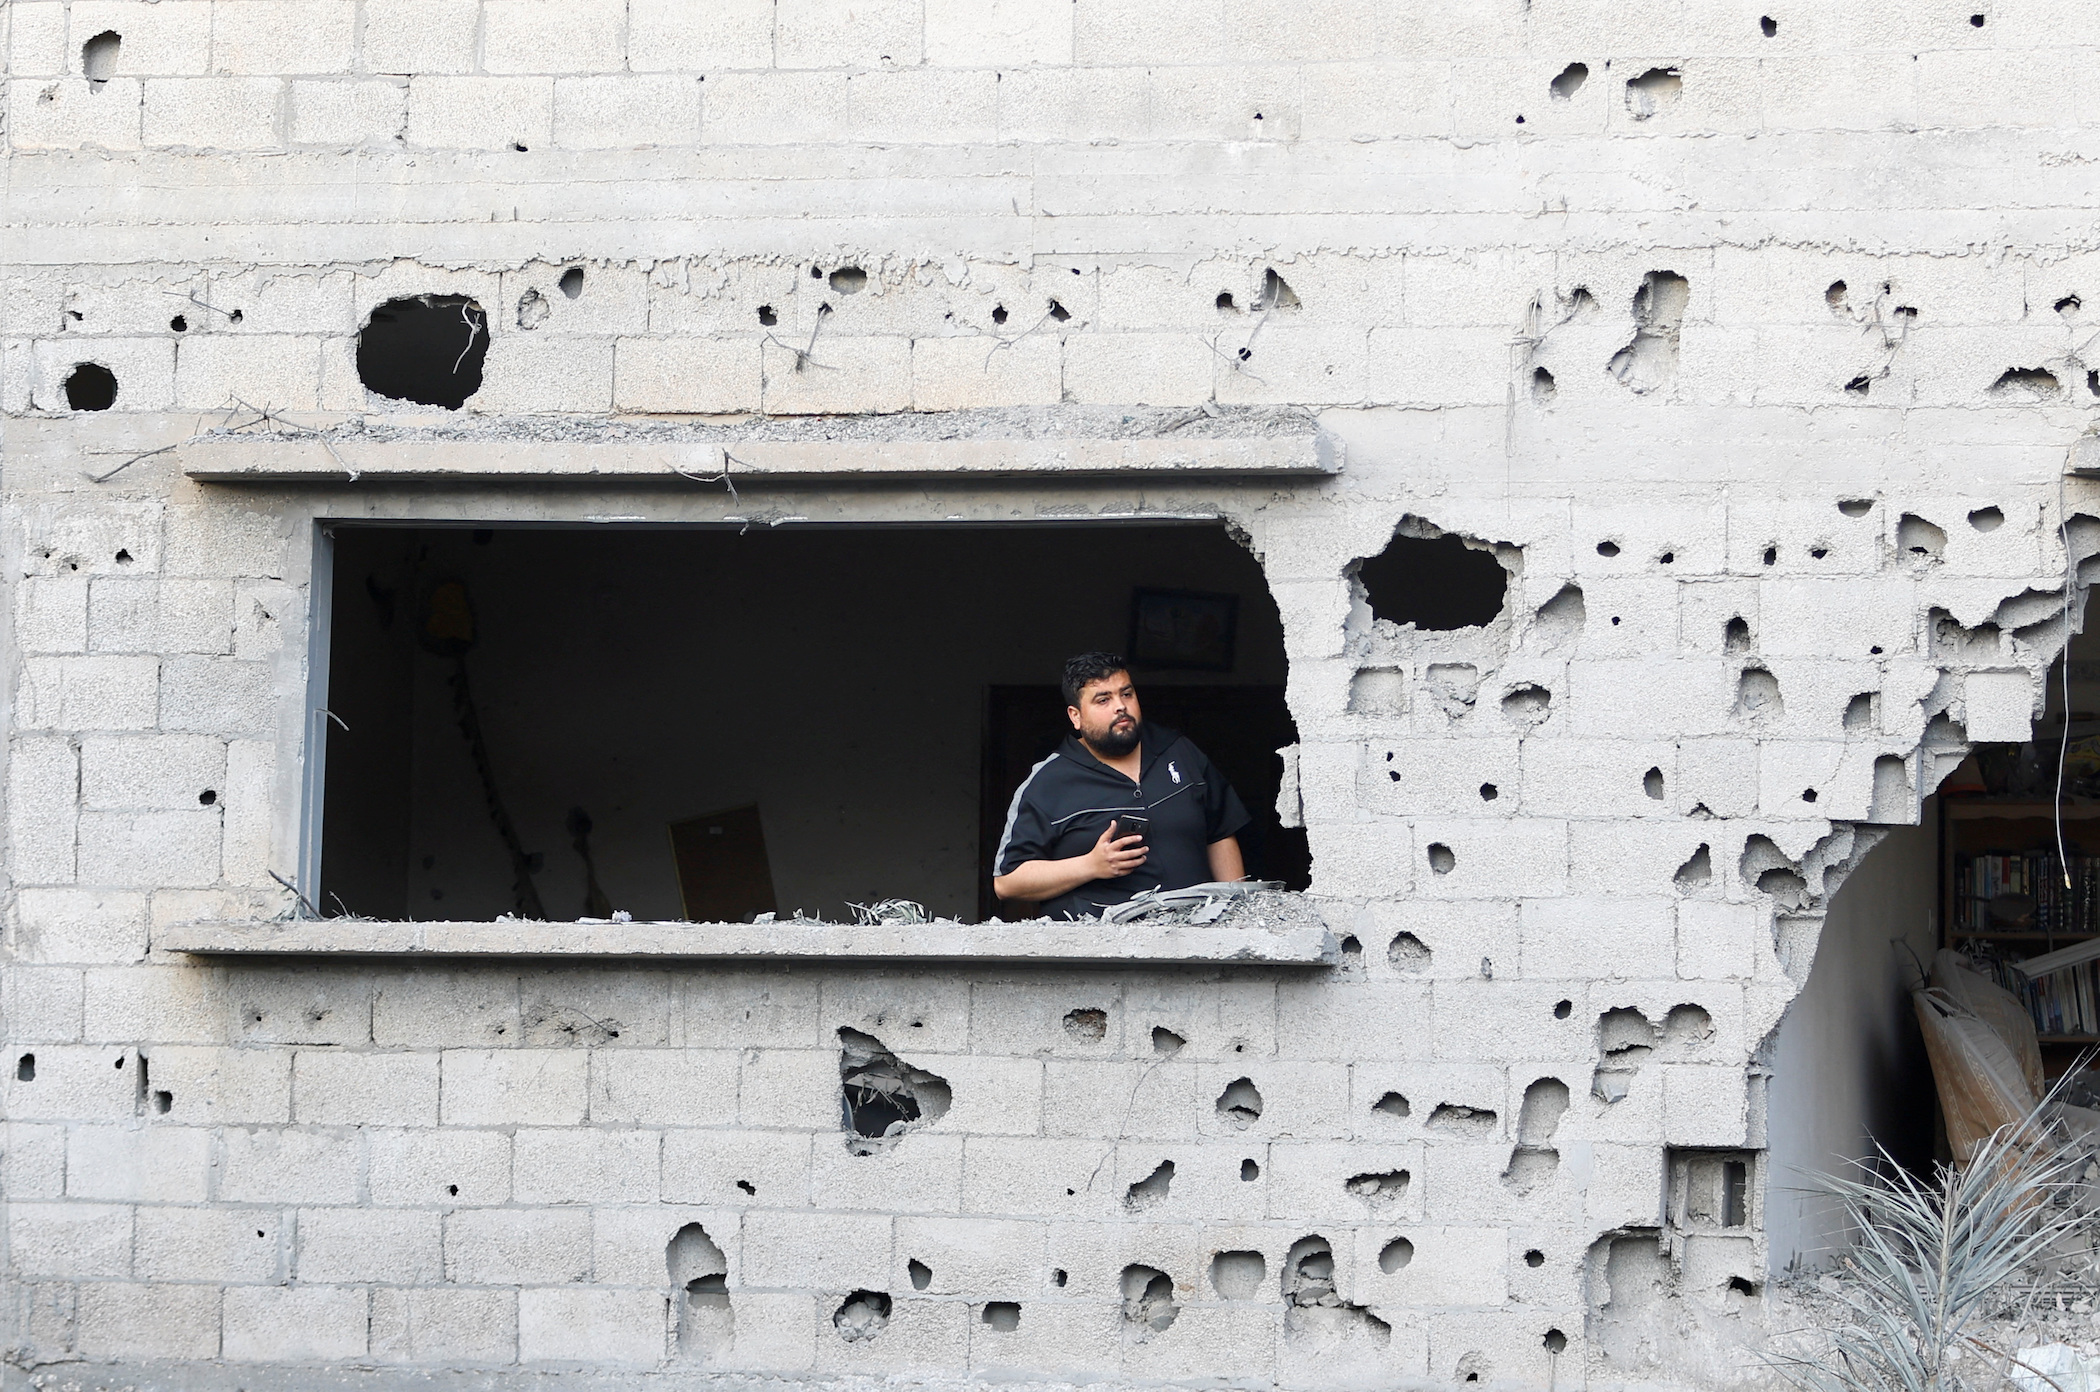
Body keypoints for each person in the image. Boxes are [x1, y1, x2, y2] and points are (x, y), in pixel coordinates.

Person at [992, 651, 1251, 920]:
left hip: (1196, 939)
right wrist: (1090, 865)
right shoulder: (1048, 782)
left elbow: (1220, 833)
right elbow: (1008, 882)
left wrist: (1237, 914)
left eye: (1126, 694)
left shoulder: (1177, 750)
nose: (1120, 706)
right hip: (1103, 952)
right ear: (1075, 716)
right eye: (1103, 700)